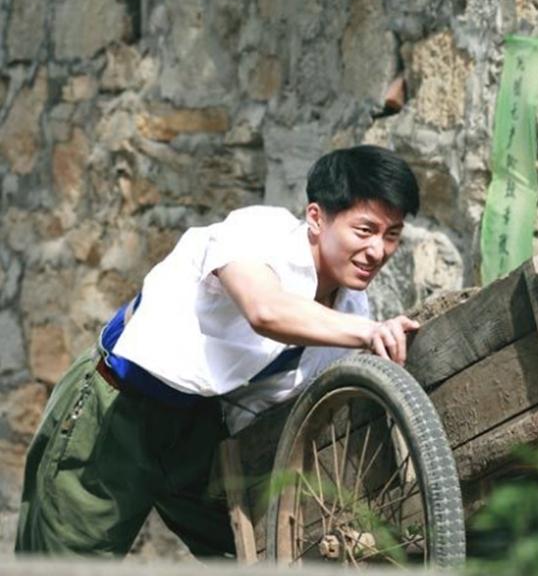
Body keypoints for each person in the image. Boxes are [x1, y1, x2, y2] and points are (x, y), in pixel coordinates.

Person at [15, 144, 422, 558]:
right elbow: (265, 310)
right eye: (365, 230)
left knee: (259, 551)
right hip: (119, 407)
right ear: (317, 218)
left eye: (392, 236)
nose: (378, 251)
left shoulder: (353, 309)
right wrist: (368, 333)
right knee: (69, 560)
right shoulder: (259, 232)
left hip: (203, 433)